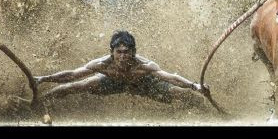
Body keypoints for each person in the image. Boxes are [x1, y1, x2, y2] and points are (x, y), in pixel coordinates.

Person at [35, 31, 209, 108]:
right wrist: (43, 78)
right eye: (119, 52)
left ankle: (206, 110)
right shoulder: (102, 64)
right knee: (71, 87)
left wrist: (195, 86)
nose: (123, 56)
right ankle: (36, 103)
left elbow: (171, 77)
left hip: (144, 84)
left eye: (127, 52)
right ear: (112, 52)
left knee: (183, 94)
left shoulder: (144, 65)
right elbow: (72, 75)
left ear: (133, 52)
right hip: (112, 82)